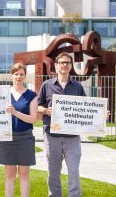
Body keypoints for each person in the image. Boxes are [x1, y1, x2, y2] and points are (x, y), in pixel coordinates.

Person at [37, 52, 86, 197]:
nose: (64, 65)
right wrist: (45, 110)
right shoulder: (47, 85)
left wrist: (101, 115)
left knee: (74, 171)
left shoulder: (77, 86)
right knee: (53, 171)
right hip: (52, 136)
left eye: (67, 63)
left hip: (72, 138)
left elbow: (86, 108)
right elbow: (37, 106)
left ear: (71, 66)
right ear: (56, 66)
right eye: (62, 62)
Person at [0, 63, 38, 197]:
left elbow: (33, 119)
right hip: (8, 137)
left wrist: (15, 113)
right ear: (11, 76)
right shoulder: (3, 94)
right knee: (9, 174)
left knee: (24, 174)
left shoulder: (32, 95)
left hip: (25, 138)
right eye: (16, 74)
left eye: (21, 74)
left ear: (25, 76)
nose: (18, 77)